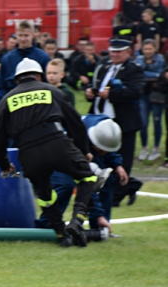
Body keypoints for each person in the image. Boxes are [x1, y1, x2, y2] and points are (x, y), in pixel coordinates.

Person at [0, 58, 96, 247]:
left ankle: (62, 236)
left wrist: (5, 165)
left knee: (45, 196)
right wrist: (83, 151)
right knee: (88, 178)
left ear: (16, 80)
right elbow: (76, 124)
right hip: (57, 144)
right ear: (39, 75)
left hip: (29, 153)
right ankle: (77, 221)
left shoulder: (7, 100)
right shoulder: (53, 91)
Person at [35, 116, 128, 237]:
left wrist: (117, 165)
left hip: (80, 152)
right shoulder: (77, 138)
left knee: (107, 180)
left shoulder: (105, 127)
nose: (104, 153)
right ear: (93, 142)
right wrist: (98, 214)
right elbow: (87, 184)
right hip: (57, 156)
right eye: (101, 150)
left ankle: (100, 228)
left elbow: (108, 147)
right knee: (65, 185)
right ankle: (44, 226)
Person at [85, 38, 144, 207]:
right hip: (100, 122)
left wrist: (111, 95)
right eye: (112, 51)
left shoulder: (134, 69)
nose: (114, 55)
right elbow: (96, 86)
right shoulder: (103, 67)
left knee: (122, 161)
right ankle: (130, 186)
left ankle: (115, 198)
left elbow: (135, 92)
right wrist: (90, 93)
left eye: (118, 52)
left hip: (123, 123)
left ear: (128, 52)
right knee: (101, 161)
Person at [0, 20, 50, 105]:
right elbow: (1, 87)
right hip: (13, 104)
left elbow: (47, 84)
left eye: (26, 35)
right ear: (16, 35)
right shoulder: (7, 59)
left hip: (37, 104)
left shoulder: (43, 57)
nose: (22, 39)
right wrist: (0, 108)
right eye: (20, 35)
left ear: (33, 35)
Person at [134, 39, 164, 162]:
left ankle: (156, 148)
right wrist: (151, 74)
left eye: (150, 49)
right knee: (143, 123)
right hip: (143, 95)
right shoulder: (139, 59)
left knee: (157, 121)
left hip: (157, 95)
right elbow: (138, 74)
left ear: (155, 49)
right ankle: (144, 147)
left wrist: (146, 73)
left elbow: (160, 75)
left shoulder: (160, 59)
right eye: (145, 49)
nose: (147, 51)